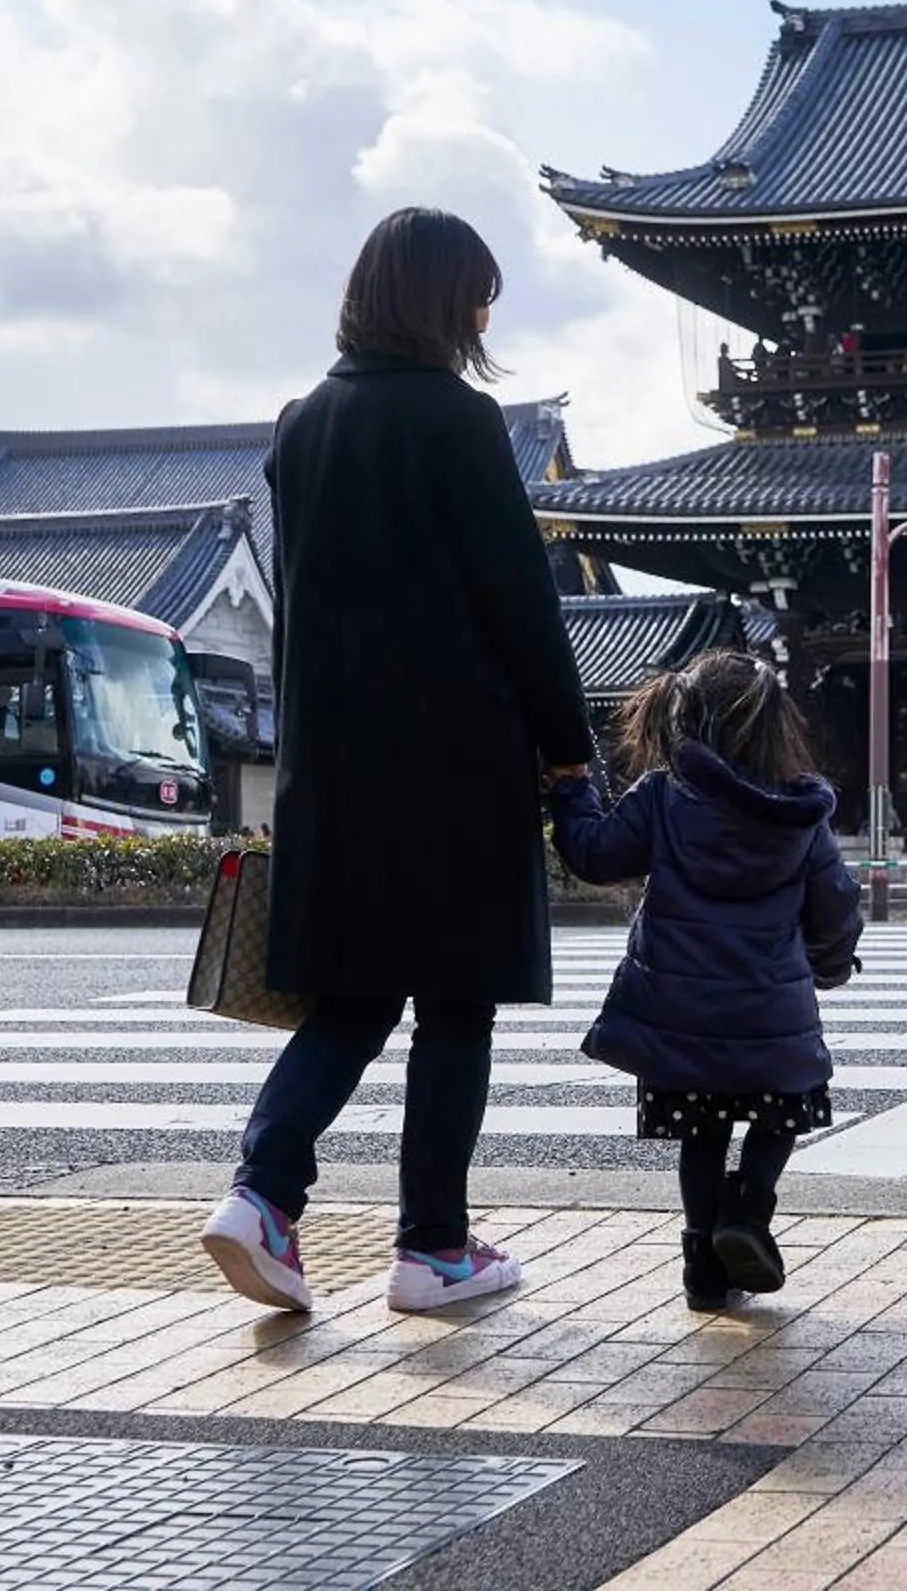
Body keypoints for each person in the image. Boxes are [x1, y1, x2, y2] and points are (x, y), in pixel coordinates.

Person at [200, 207, 594, 1319]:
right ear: (440, 299)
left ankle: (263, 1192)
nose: (482, 318)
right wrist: (571, 753)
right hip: (457, 766)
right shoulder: (460, 423)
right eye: (477, 296)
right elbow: (522, 604)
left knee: (351, 995)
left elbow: (302, 613)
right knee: (455, 1007)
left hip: (334, 767)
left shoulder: (302, 424)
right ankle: (433, 1247)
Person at [549, 652, 862, 1310]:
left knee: (702, 1132)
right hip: (769, 1009)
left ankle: (702, 1271)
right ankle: (747, 1210)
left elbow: (595, 856)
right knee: (785, 1107)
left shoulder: (664, 796)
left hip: (679, 1009)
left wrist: (572, 790)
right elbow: (833, 903)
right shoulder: (800, 812)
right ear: (776, 725)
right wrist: (830, 967)